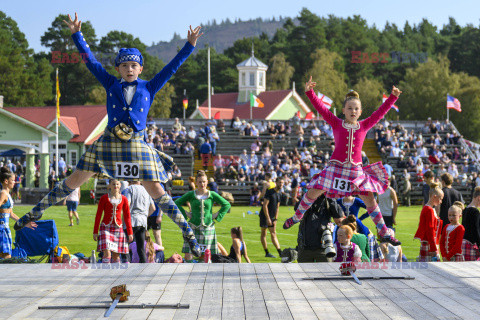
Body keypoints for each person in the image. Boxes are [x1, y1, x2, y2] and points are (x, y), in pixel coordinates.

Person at [13, 13, 203, 257]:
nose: (129, 69)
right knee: (72, 182)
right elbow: (90, 61)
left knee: (160, 195)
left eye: (134, 65)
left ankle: (190, 237)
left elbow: (171, 68)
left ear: (141, 68)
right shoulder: (111, 83)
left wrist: (189, 46)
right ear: (118, 68)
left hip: (137, 145)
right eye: (124, 65)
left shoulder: (150, 86)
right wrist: (76, 35)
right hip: (109, 142)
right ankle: (32, 214)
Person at [284, 77, 402, 246]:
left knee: (370, 200)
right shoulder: (336, 123)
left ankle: (384, 232)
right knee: (312, 193)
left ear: (360, 112)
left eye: (356, 109)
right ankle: (296, 217)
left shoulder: (364, 125)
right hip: (335, 168)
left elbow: (380, 113)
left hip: (355, 171)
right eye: (350, 108)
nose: (353, 111)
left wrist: (393, 97)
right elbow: (321, 109)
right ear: (344, 110)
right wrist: (309, 92)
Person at [175, 170, 231, 261]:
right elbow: (177, 203)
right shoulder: (191, 194)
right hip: (193, 228)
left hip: (208, 228)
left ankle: (203, 273)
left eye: (204, 181)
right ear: (196, 182)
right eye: (200, 182)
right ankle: (189, 273)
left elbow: (226, 204)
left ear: (207, 182)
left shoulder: (212, 194)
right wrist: (187, 214)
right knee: (188, 254)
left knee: (205, 255)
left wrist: (216, 215)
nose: (202, 184)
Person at [94, 179, 133, 263]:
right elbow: (98, 215)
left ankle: (114, 274)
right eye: (113, 184)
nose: (115, 186)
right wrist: (95, 232)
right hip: (105, 227)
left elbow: (127, 216)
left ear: (120, 186)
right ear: (109, 186)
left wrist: (130, 233)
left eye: (117, 184)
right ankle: (105, 272)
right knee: (107, 252)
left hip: (118, 228)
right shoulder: (104, 198)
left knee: (116, 255)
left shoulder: (124, 199)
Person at [296, 194, 344, 262]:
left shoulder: (328, 200)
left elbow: (339, 218)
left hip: (324, 247)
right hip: (305, 247)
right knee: (303, 271)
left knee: (326, 270)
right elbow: (297, 209)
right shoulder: (307, 197)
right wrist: (309, 197)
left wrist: (329, 197)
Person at [0, 168, 36, 259]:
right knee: (6, 256)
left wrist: (24, 223)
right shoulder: (3, 194)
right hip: (2, 228)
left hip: (5, 228)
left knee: (5, 255)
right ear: (6, 181)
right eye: (12, 180)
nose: (14, 182)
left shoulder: (7, 194)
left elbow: (11, 214)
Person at [122, 181, 155, 263]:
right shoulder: (146, 190)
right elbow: (153, 208)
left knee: (125, 246)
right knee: (141, 248)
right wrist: (144, 215)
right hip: (143, 221)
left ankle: (127, 266)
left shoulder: (129, 189)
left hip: (131, 220)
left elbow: (127, 205)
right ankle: (143, 268)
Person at [414, 182, 444, 262]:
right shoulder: (428, 210)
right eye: (440, 198)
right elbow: (430, 230)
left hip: (430, 243)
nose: (441, 201)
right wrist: (433, 248)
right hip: (429, 244)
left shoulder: (430, 209)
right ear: (434, 197)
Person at [260, 178, 284, 258]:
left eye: (282, 183)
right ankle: (267, 252)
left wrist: (275, 219)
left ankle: (280, 252)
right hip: (264, 215)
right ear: (276, 183)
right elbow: (265, 205)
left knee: (273, 233)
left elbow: (277, 207)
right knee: (264, 233)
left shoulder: (280, 193)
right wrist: (268, 218)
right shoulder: (270, 192)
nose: (281, 184)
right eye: (280, 182)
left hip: (272, 217)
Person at [462, 186, 480, 261]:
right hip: (472, 245)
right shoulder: (475, 212)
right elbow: (476, 230)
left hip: (464, 243)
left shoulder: (465, 209)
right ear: (479, 198)